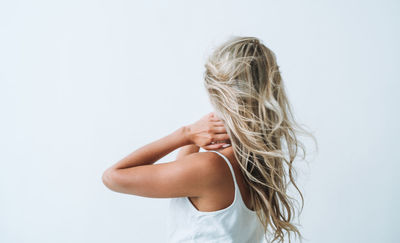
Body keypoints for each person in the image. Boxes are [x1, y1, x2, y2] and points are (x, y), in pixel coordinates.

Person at [102, 36, 316, 243]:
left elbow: (112, 177)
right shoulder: (261, 166)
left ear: (217, 94)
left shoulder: (211, 167)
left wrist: (185, 133)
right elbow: (183, 177)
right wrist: (196, 138)